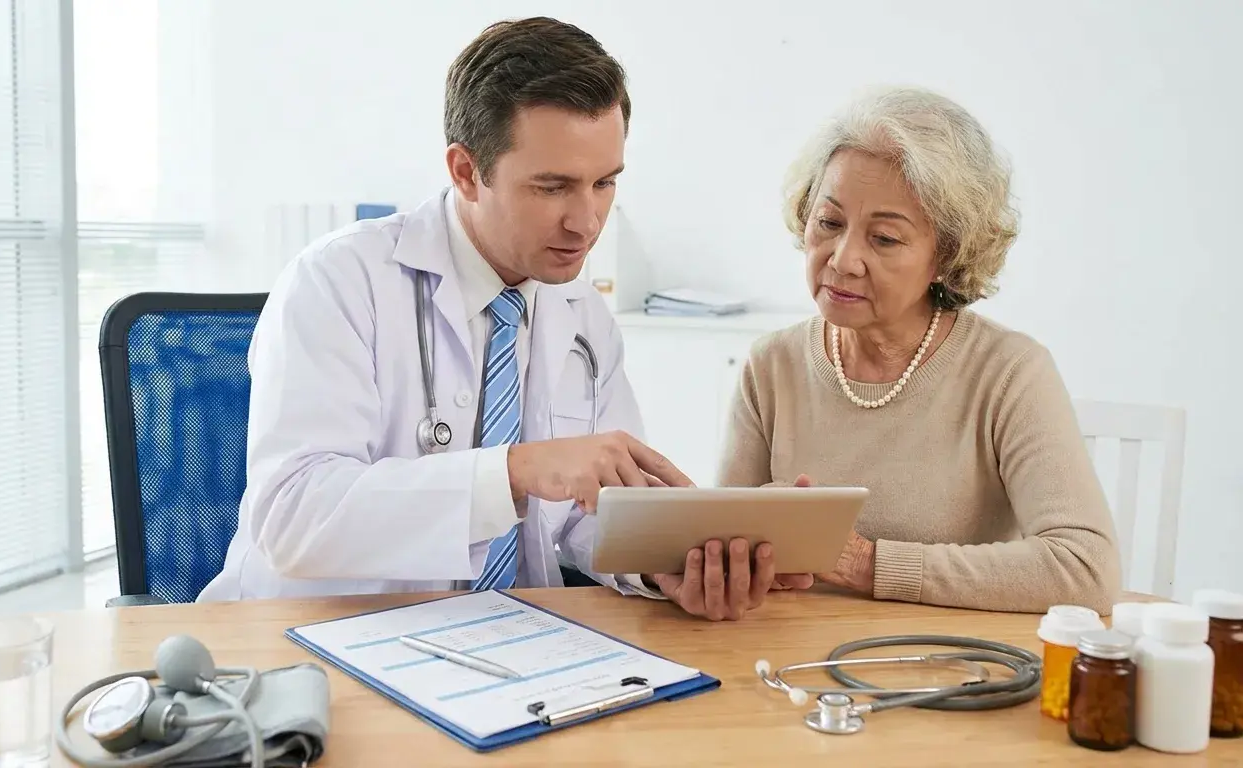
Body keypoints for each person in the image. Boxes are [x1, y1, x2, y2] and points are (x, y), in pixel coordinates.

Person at [199, 17, 801, 621]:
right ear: (465, 171)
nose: (587, 222)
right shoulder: (338, 281)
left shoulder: (584, 317)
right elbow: (294, 517)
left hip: (512, 644)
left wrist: (660, 565)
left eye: (604, 183)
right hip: (315, 640)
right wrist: (515, 471)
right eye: (552, 187)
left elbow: (591, 517)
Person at [717, 85, 1121, 614]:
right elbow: (721, 554)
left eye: (884, 238)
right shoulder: (771, 365)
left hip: (954, 666)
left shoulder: (1009, 373)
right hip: (795, 665)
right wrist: (728, 551)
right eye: (829, 222)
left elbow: (1085, 567)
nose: (841, 260)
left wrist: (866, 564)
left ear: (946, 256)